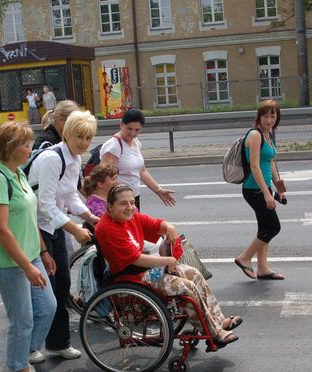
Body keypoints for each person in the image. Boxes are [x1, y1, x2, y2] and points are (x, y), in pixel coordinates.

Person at [95, 184, 242, 348]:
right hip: (132, 277)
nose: (130, 207)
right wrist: (168, 261)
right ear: (110, 206)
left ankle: (219, 321)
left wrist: (169, 228)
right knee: (186, 287)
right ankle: (214, 333)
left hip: (146, 272)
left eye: (132, 202)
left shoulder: (131, 217)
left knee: (194, 274)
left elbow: (156, 224)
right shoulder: (107, 228)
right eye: (123, 203)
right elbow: (135, 259)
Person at [0, 121, 57, 372]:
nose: (30, 148)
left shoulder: (19, 175)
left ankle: (22, 357)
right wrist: (27, 266)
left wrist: (43, 252)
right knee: (22, 319)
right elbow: (2, 230)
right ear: (10, 148)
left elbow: (30, 218)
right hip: (9, 263)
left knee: (48, 307)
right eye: (25, 144)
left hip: (31, 257)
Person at [27, 110, 98, 361]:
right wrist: (74, 228)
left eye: (88, 137)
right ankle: (30, 346)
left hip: (53, 227)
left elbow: (68, 196)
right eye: (79, 136)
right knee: (44, 292)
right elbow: (44, 205)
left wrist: (89, 217)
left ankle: (58, 343)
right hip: (35, 230)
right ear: (66, 133)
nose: (84, 142)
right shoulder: (52, 158)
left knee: (62, 287)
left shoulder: (74, 158)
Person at [234, 100, 285, 281]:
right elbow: (255, 167)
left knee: (264, 227)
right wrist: (266, 193)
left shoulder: (268, 134)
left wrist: (279, 188)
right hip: (253, 189)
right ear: (259, 117)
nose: (269, 120)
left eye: (273, 116)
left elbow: (270, 162)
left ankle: (262, 268)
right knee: (273, 227)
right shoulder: (255, 135)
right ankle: (244, 258)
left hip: (263, 187)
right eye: (265, 116)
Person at [99, 108, 175, 209]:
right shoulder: (113, 146)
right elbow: (106, 177)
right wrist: (125, 195)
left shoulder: (135, 142)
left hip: (133, 197)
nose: (133, 133)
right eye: (129, 129)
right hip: (118, 200)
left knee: (136, 225)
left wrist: (158, 190)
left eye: (137, 130)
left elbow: (142, 171)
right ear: (121, 124)